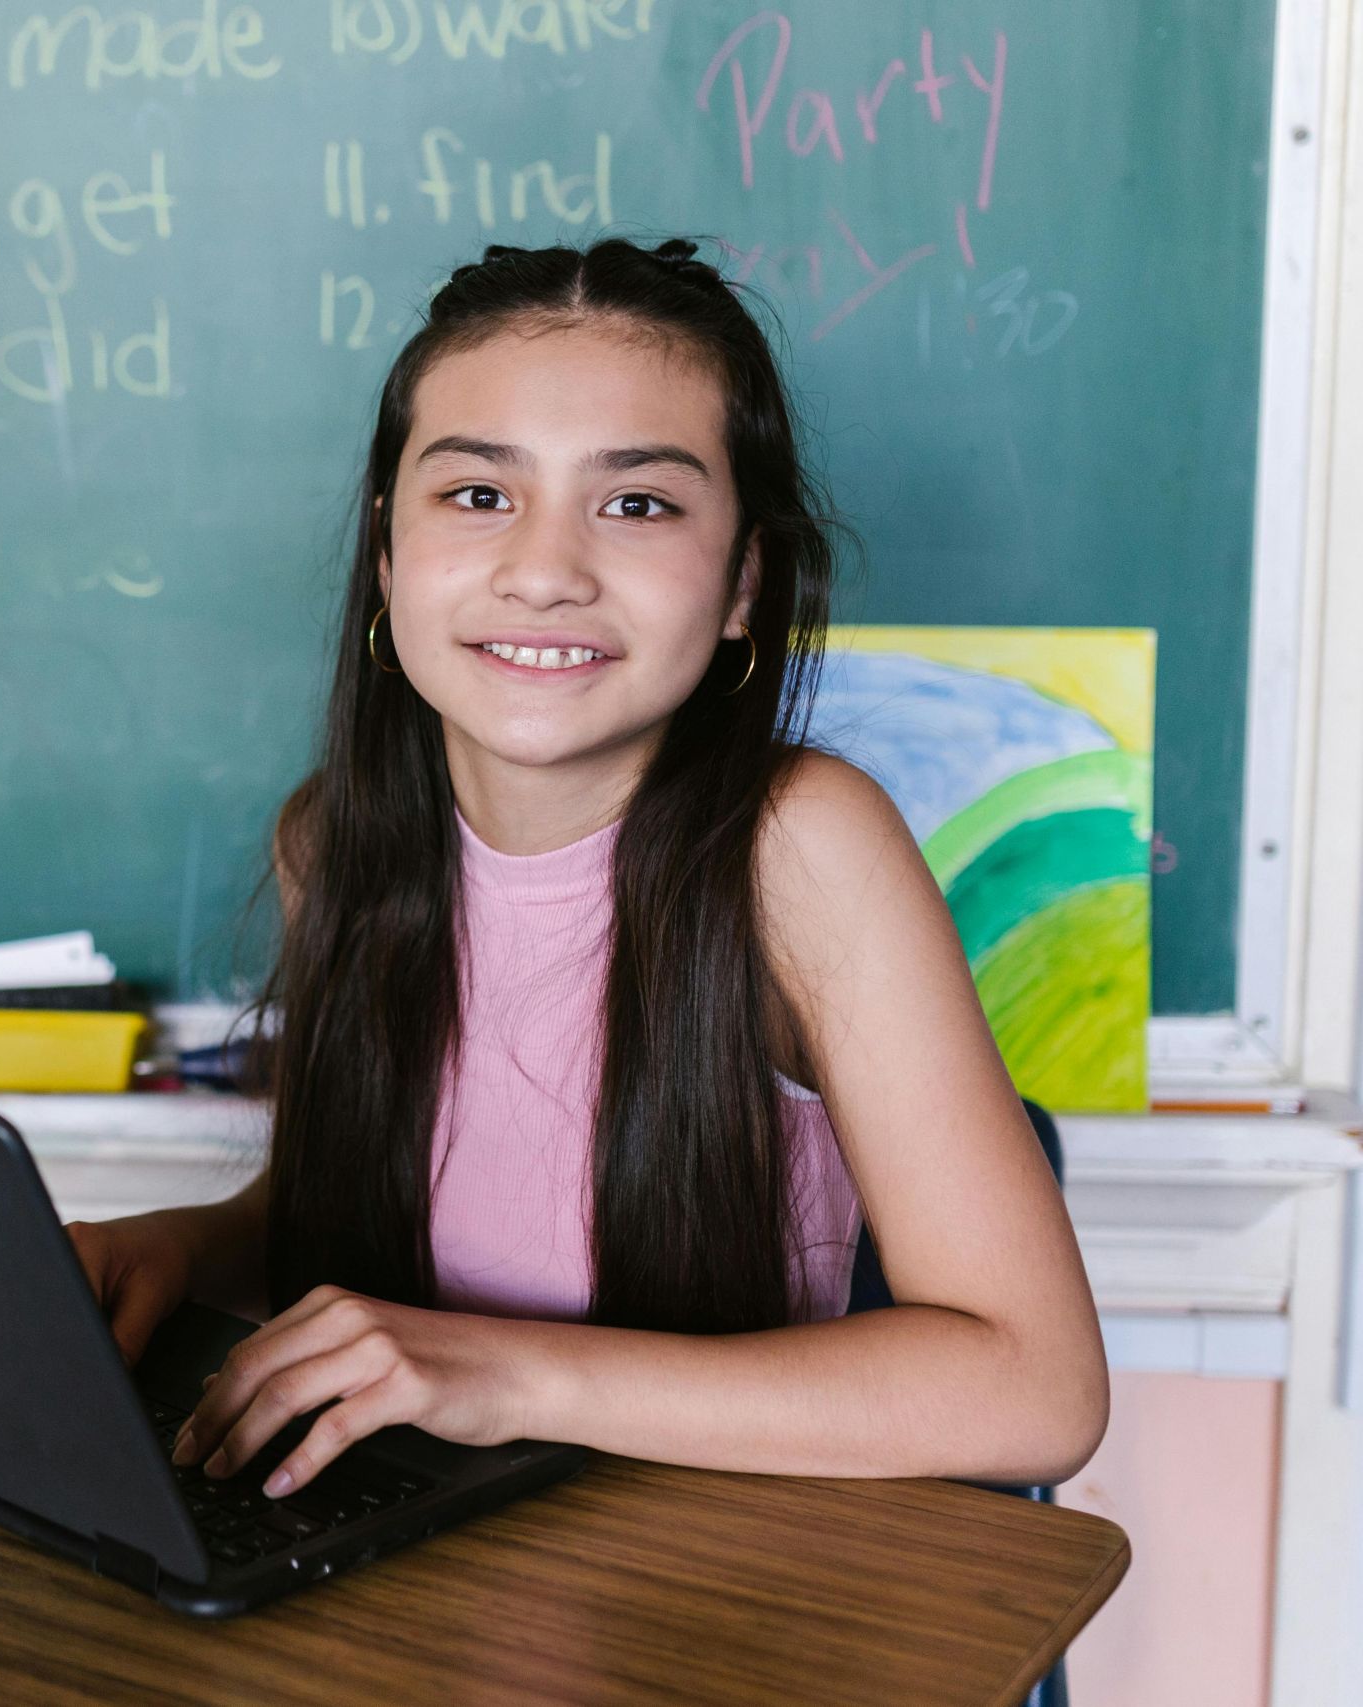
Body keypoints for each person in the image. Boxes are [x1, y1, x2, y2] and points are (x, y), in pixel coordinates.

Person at [65, 238, 1108, 1503]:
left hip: (695, 1584)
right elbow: (364, 1206)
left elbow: (1035, 1389)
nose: (546, 571)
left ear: (742, 585)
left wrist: (510, 1374)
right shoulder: (334, 840)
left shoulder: (797, 849)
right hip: (416, 1567)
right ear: (388, 556)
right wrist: (170, 1249)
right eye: (477, 495)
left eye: (637, 504)